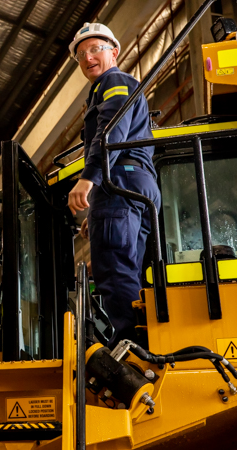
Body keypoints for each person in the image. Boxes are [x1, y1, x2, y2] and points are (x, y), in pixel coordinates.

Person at [67, 23, 161, 349]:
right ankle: (144, 344)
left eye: (95, 49)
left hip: (118, 182)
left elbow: (110, 132)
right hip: (136, 186)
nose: (88, 57)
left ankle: (127, 353)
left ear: (114, 51)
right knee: (132, 272)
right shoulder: (116, 85)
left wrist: (87, 180)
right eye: (81, 55)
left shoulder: (114, 81)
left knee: (115, 273)